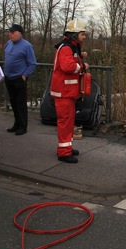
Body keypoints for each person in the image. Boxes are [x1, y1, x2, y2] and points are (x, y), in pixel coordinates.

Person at [50, 20, 89, 164]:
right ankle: (64, 152)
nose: (84, 37)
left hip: (68, 91)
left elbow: (69, 62)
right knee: (65, 122)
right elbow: (68, 67)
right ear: (74, 35)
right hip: (64, 91)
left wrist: (80, 57)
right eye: (82, 34)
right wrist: (82, 66)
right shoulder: (66, 48)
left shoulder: (70, 47)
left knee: (69, 121)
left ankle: (67, 147)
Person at [3, 23, 36, 136]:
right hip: (8, 77)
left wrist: (25, 75)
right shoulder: (8, 44)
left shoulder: (27, 46)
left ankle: (23, 126)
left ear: (19, 33)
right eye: (9, 32)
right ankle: (16, 124)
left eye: (13, 33)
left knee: (20, 103)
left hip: (19, 78)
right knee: (13, 102)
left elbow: (32, 63)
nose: (10, 34)